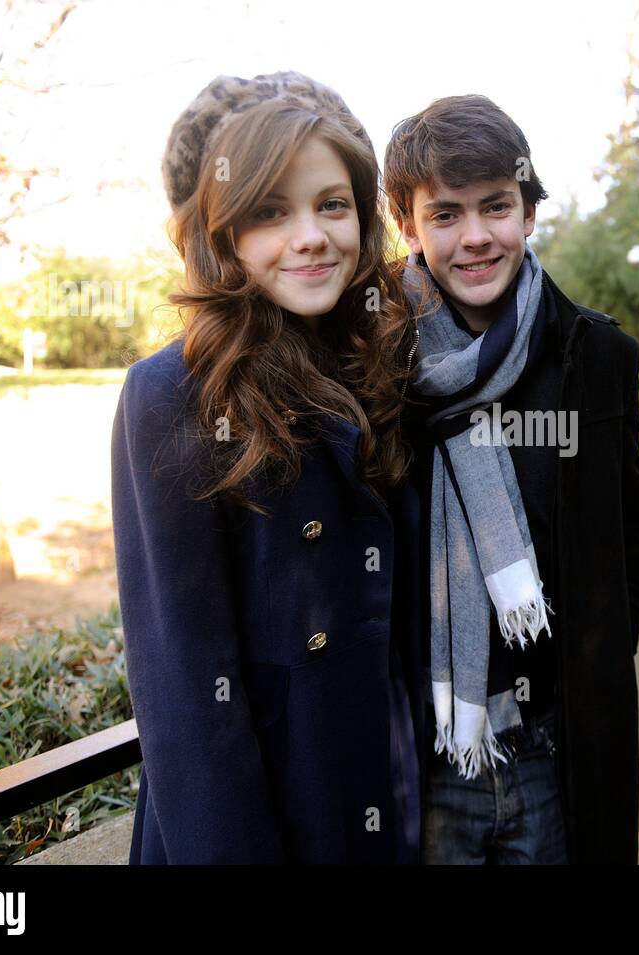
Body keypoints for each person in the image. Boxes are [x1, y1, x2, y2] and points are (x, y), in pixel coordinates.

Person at [111, 72, 424, 863]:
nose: (311, 235)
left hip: (390, 788)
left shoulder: (381, 361)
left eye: (331, 204)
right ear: (224, 236)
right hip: (268, 817)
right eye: (270, 212)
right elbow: (185, 689)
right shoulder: (172, 391)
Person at [385, 94, 639, 864]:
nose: (476, 237)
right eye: (445, 215)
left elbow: (628, 531)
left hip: (552, 754)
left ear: (528, 213)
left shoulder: (596, 356)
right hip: (426, 758)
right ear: (408, 225)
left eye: (496, 207)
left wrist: (597, 664)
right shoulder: (369, 367)